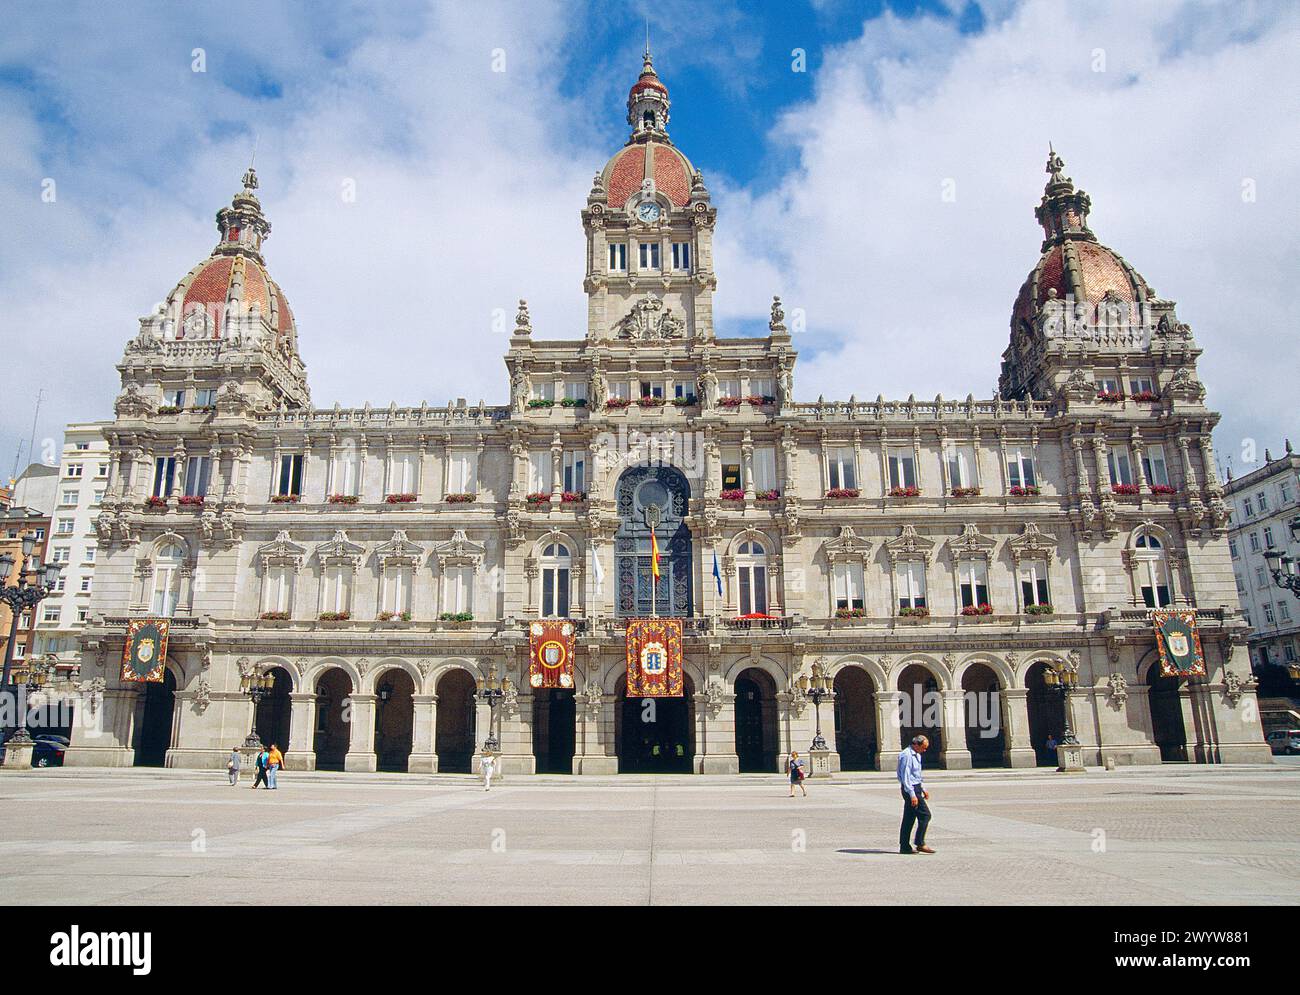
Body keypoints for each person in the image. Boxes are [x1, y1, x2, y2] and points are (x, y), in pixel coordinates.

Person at [897, 734, 935, 854]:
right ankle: (920, 843)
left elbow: (916, 775)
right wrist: (912, 794)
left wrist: (923, 788)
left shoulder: (917, 754)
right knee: (925, 815)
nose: (924, 750)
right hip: (910, 789)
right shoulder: (906, 755)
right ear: (915, 744)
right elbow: (905, 776)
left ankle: (904, 846)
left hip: (916, 787)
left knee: (909, 818)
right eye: (923, 747)